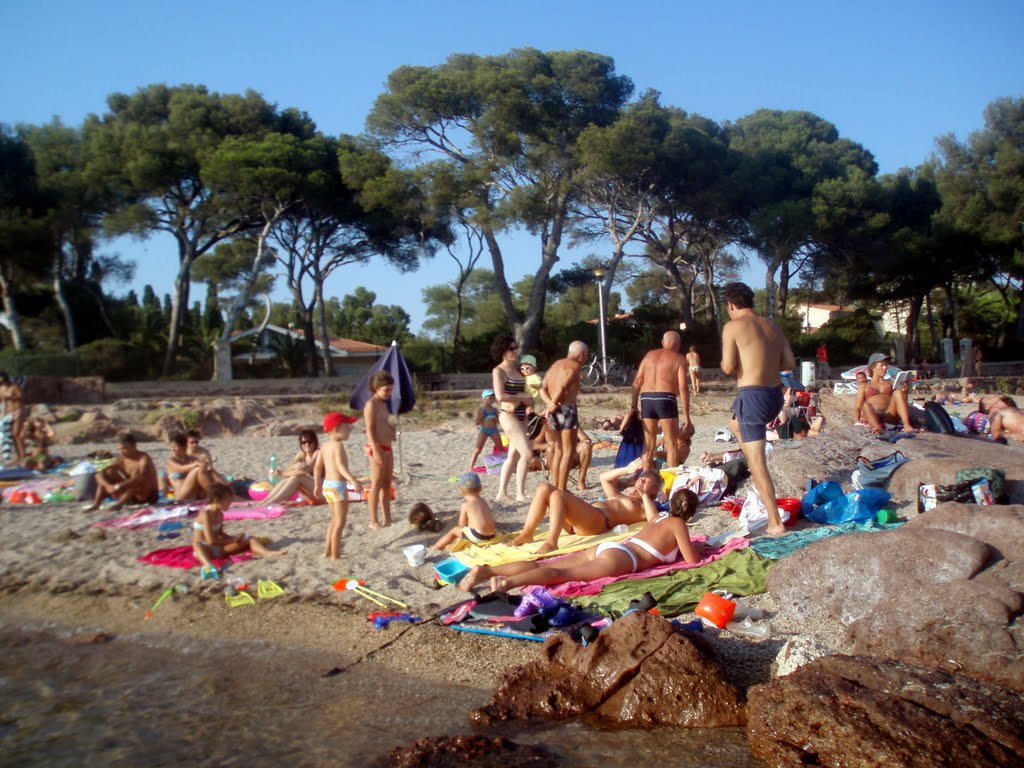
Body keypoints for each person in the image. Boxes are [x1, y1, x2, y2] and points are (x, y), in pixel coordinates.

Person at [458, 487, 702, 592]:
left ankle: (488, 571)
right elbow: (692, 560)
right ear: (690, 513)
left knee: (545, 565)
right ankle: (505, 585)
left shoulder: (657, 519)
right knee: (561, 575)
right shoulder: (677, 524)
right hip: (622, 558)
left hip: (611, 547)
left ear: (670, 504)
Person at [720, 281, 796, 536]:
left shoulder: (733, 326)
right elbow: (789, 362)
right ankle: (749, 453)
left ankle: (775, 522)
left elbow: (729, 367)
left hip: (752, 396)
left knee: (757, 463)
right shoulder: (772, 325)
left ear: (730, 304)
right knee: (734, 422)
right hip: (774, 395)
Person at [509, 458, 664, 554]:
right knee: (544, 487)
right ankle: (527, 533)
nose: (640, 482)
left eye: (646, 482)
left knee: (559, 495)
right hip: (582, 518)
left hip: (598, 522)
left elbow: (653, 520)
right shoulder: (619, 495)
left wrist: (643, 495)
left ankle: (551, 542)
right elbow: (604, 478)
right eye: (640, 479)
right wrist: (626, 470)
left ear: (654, 490)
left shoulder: (644, 508)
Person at [192, 483, 287, 579]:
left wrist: (236, 538)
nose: (230, 503)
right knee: (197, 544)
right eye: (228, 500)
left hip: (218, 548)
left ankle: (266, 553)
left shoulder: (220, 514)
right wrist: (232, 540)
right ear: (217, 499)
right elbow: (210, 540)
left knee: (249, 539)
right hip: (205, 550)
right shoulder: (206, 514)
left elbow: (220, 535)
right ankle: (209, 566)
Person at [630, 330, 692, 472]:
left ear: (663, 343)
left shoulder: (649, 355)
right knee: (671, 446)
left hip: (646, 399)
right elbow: (683, 387)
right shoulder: (679, 358)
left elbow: (638, 381)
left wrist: (633, 406)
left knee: (648, 445)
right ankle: (671, 484)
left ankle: (646, 478)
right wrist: (687, 416)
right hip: (666, 398)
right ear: (679, 344)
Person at [538, 340, 587, 491]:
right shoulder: (575, 366)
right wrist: (553, 404)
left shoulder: (555, 365)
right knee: (568, 450)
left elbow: (542, 388)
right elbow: (563, 387)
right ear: (581, 354)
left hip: (555, 410)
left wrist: (549, 404)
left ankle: (556, 486)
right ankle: (562, 489)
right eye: (586, 355)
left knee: (558, 449)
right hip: (566, 409)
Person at [491, 334, 534, 503]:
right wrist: (521, 398)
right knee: (527, 453)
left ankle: (502, 492)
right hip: (508, 415)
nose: (515, 352)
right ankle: (520, 493)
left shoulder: (517, 370)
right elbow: (500, 395)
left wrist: (528, 401)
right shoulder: (499, 370)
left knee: (513, 456)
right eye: (511, 349)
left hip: (522, 415)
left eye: (516, 348)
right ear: (502, 351)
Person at [314, 411, 363, 559]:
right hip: (337, 486)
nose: (349, 431)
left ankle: (327, 551)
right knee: (340, 522)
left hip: (327, 485)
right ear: (336, 429)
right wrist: (353, 480)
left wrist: (317, 485)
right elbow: (340, 466)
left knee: (333, 519)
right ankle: (335, 555)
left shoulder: (324, 446)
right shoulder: (338, 446)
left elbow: (317, 467)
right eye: (347, 428)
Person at [82, 432, 160, 512]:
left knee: (136, 478)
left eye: (125, 448)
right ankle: (96, 505)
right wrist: (108, 486)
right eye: (120, 449)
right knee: (107, 474)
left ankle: (119, 505)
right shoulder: (122, 459)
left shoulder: (143, 459)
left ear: (134, 446)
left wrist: (118, 486)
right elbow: (98, 474)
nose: (122, 452)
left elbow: (140, 477)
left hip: (147, 496)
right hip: (130, 497)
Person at [363, 370, 396, 529]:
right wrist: (375, 451)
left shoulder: (383, 404)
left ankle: (387, 518)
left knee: (387, 483)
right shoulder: (371, 404)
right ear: (376, 387)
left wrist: (391, 430)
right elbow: (369, 429)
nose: (389, 393)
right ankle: (373, 520)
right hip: (376, 447)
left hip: (387, 446)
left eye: (390, 390)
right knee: (375, 483)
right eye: (386, 390)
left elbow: (383, 424)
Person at [432, 472, 498, 550]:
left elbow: (462, 525)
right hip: (492, 535)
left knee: (454, 530)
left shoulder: (466, 505)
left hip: (478, 536)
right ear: (480, 488)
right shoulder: (483, 501)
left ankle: (436, 547)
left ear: (461, 490)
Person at [853, 353, 915, 434]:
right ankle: (878, 428)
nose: (885, 368)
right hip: (872, 414)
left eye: (886, 365)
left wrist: (905, 393)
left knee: (898, 392)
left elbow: (901, 403)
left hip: (888, 415)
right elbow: (858, 407)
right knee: (866, 405)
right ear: (873, 367)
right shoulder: (865, 386)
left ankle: (907, 425)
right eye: (882, 365)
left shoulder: (891, 383)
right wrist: (856, 422)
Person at [263, 429, 322, 505]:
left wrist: (282, 473)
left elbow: (307, 469)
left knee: (298, 477)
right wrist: (294, 466)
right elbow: (289, 468)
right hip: (313, 491)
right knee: (289, 478)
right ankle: (265, 501)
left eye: (310, 442)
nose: (307, 445)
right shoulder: (302, 454)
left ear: (315, 442)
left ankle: (271, 502)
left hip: (322, 491)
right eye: (303, 442)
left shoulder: (318, 453)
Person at [165, 432, 213, 502]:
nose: (173, 449)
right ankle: (215, 494)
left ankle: (228, 492)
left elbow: (207, 468)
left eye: (175, 446)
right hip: (181, 495)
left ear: (184, 446)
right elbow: (181, 468)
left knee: (210, 471)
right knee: (197, 470)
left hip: (195, 495)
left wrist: (203, 465)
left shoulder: (193, 459)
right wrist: (196, 464)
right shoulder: (172, 461)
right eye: (172, 447)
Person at [468, 389, 503, 471]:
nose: (491, 399)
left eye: (492, 398)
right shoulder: (481, 410)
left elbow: (499, 422)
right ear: (484, 399)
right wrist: (482, 416)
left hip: (494, 430)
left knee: (500, 448)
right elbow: (477, 422)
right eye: (489, 398)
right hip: (484, 430)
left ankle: (504, 464)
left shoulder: (494, 410)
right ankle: (470, 466)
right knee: (478, 449)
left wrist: (495, 419)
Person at [0, 372, 26, 464]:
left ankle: (23, 456)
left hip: (18, 411)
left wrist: (11, 397)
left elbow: (21, 396)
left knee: (16, 434)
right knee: (11, 435)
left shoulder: (14, 386)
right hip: (8, 413)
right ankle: (19, 456)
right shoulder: (1, 388)